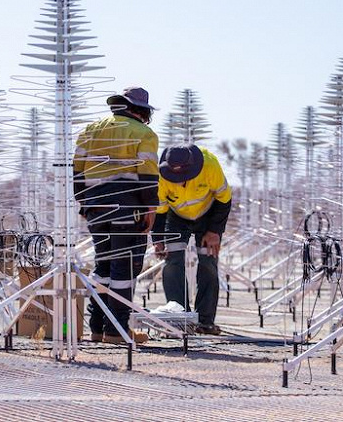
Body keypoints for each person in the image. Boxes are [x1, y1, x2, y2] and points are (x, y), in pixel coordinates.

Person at [73, 86, 159, 344]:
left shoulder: (90, 130)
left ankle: (97, 328)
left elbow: (77, 171)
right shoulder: (144, 133)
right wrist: (150, 208)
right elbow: (147, 175)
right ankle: (117, 330)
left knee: (103, 265)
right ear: (142, 110)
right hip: (127, 208)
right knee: (125, 267)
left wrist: (84, 204)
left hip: (96, 207)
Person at [152, 144, 232, 335]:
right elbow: (160, 211)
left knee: (207, 261)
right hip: (176, 217)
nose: (179, 182)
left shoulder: (210, 165)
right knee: (172, 261)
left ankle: (205, 322)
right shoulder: (160, 176)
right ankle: (180, 319)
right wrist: (158, 239)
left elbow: (224, 198)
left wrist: (214, 230)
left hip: (209, 215)